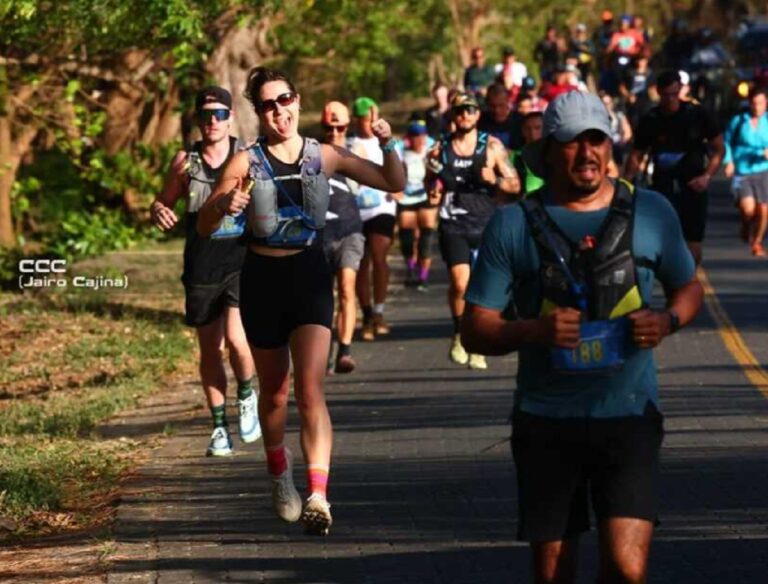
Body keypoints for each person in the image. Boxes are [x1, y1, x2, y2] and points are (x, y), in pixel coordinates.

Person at [461, 90, 704, 584]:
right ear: (549, 150)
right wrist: (534, 330)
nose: (587, 152)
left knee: (625, 570)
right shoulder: (512, 224)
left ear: (610, 145)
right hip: (547, 421)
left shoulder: (652, 211)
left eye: (597, 139)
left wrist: (667, 322)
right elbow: (474, 328)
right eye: (573, 142)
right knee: (555, 575)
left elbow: (688, 287)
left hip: (630, 416)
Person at [197, 68, 405, 535]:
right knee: (274, 390)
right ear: (258, 111)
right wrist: (223, 206)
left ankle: (318, 494)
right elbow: (204, 227)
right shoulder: (244, 162)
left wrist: (388, 143)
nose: (279, 111)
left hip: (309, 274)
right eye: (268, 104)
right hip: (261, 278)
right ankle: (279, 474)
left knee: (310, 388)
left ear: (297, 99)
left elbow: (392, 181)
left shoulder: (325, 156)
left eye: (285, 99)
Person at [150, 86, 260, 457]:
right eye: (205, 115)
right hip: (201, 264)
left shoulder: (246, 156)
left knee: (236, 338)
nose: (212, 121)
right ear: (197, 120)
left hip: (240, 259)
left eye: (219, 114)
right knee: (209, 348)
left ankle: (246, 394)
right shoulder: (185, 162)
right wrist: (158, 211)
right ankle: (218, 427)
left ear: (230, 118)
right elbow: (164, 201)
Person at [426, 92, 520, 371]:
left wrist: (497, 180)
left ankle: (478, 342)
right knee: (459, 283)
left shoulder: (491, 146)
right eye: (459, 111)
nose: (464, 115)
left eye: (470, 110)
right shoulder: (441, 147)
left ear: (478, 114)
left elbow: (515, 185)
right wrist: (432, 186)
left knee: (483, 287)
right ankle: (460, 333)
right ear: (452, 116)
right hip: (453, 222)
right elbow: (429, 184)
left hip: (486, 223)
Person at [625, 70, 724, 265]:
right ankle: (672, 279)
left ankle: (689, 280)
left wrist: (706, 176)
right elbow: (637, 155)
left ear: (680, 90)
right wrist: (625, 184)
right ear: (658, 92)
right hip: (663, 186)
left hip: (693, 185)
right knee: (664, 237)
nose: (670, 99)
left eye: (674, 94)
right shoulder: (651, 120)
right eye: (665, 95)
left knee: (692, 240)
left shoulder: (697, 115)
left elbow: (719, 149)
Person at [320, 101, 366, 373]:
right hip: (320, 234)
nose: (335, 131)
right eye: (330, 127)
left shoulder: (357, 151)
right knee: (324, 296)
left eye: (340, 127)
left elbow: (372, 184)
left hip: (350, 229)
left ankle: (345, 351)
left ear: (347, 127)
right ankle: (323, 352)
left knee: (347, 288)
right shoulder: (312, 152)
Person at [349, 97, 398, 341]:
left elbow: (399, 168)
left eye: (373, 118)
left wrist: (399, 187)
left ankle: (379, 311)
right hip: (356, 210)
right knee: (361, 262)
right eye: (366, 119)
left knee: (380, 255)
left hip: (383, 207)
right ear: (357, 119)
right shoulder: (349, 143)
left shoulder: (386, 141)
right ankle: (367, 314)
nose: (371, 123)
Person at [723, 88, 768, 257]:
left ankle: (757, 242)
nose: (757, 107)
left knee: (764, 209)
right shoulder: (739, 121)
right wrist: (729, 161)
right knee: (748, 209)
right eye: (754, 103)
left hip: (763, 169)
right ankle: (746, 224)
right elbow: (726, 141)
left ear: (766, 104)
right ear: (749, 104)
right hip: (743, 170)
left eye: (761, 103)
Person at [396, 119, 438, 290]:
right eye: (416, 136)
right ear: (409, 138)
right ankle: (411, 269)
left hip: (426, 197)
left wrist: (437, 189)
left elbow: (440, 172)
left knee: (426, 239)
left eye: (422, 136)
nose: (420, 140)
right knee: (407, 238)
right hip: (407, 198)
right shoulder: (402, 153)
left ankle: (423, 277)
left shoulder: (431, 152)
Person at [479, 83, 523, 151]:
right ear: (487, 104)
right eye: (492, 106)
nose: (497, 110)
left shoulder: (519, 122)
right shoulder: (480, 121)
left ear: (508, 102)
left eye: (501, 105)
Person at [510, 111, 545, 196]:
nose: (532, 133)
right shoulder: (514, 156)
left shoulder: (557, 156)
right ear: (522, 131)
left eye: (537, 128)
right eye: (527, 128)